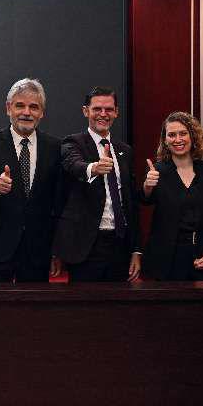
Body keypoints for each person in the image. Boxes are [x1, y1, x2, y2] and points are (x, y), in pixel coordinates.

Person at [0, 78, 62, 282]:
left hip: (38, 249)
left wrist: (57, 248)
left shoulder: (55, 147)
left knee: (32, 312)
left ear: (42, 112)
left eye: (34, 107)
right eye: (20, 105)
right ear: (8, 108)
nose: (27, 112)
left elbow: (59, 199)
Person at [52, 86, 141, 282]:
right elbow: (73, 164)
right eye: (97, 109)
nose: (103, 114)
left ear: (116, 112)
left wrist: (136, 249)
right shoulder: (73, 143)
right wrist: (93, 168)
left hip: (120, 244)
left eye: (109, 109)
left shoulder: (125, 151)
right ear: (86, 111)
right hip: (86, 245)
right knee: (85, 310)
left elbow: (130, 203)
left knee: (119, 309)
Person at [141, 112, 203, 280]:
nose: (178, 139)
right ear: (165, 141)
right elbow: (145, 200)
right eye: (172, 135)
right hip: (166, 263)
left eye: (183, 133)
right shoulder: (156, 171)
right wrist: (147, 185)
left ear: (193, 136)